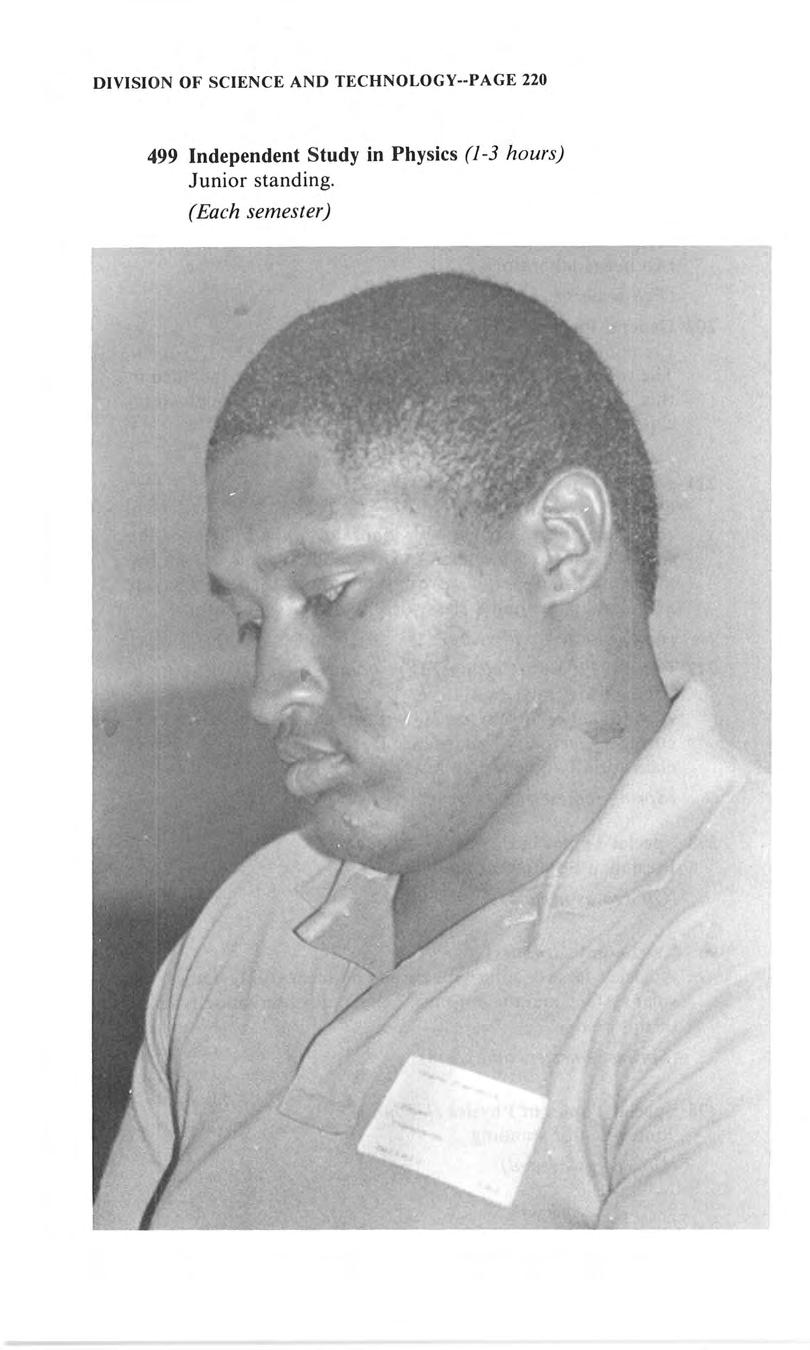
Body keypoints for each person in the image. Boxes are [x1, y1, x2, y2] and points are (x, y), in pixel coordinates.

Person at [94, 271, 769, 1229]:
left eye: (329, 595)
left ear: (563, 544)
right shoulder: (260, 912)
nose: (268, 691)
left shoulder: (763, 964)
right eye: (250, 621)